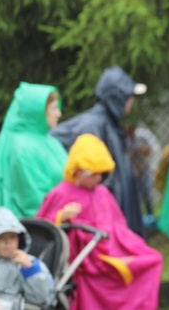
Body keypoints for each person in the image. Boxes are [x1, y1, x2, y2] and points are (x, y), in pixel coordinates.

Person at [36, 134, 163, 310]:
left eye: (101, 175)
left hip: (107, 254)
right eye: (93, 175)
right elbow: (43, 230)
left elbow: (118, 228)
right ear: (78, 171)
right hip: (80, 263)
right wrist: (61, 217)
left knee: (151, 260)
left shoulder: (102, 192)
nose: (98, 180)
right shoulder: (61, 194)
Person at [50, 65, 147, 237]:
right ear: (118, 97)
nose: (131, 100)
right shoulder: (93, 125)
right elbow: (91, 175)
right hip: (101, 223)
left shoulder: (109, 125)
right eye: (129, 96)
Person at [0, 82, 66, 225]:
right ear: (37, 111)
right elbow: (32, 199)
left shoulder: (48, 140)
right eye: (53, 108)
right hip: (32, 233)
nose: (59, 113)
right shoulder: (23, 147)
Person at [0, 206, 56, 308]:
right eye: (1, 237)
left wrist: (31, 271)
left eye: (12, 236)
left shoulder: (30, 263)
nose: (8, 242)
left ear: (19, 239)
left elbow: (42, 299)